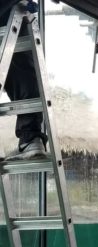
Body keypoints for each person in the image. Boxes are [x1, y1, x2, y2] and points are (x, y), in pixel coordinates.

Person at [0, 0, 47, 160]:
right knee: (21, 69)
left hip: (11, 12)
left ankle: (30, 136)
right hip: (14, 13)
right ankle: (30, 137)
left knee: (19, 69)